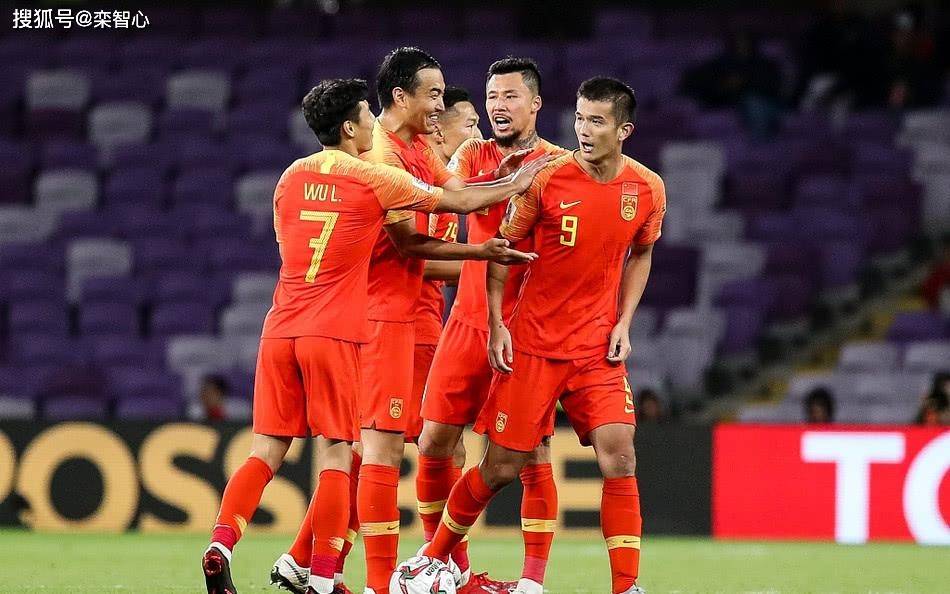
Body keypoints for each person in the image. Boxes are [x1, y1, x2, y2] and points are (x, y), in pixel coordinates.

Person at [201, 77, 549, 594]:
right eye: (367, 114)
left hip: (282, 324)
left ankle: (225, 544)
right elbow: (447, 207)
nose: (374, 123)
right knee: (348, 455)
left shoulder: (290, 176)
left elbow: (290, 243)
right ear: (352, 126)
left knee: (268, 451)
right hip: (347, 329)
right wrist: (515, 190)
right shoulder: (375, 175)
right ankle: (338, 577)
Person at [422, 77, 666, 594]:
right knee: (501, 466)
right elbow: (501, 252)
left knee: (620, 454)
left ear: (624, 130)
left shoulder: (647, 188)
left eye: (596, 121)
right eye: (579, 118)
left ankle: (626, 586)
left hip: (596, 349)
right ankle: (432, 559)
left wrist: (624, 321)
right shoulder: (548, 179)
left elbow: (641, 252)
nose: (584, 130)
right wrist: (498, 324)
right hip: (535, 344)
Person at [415, 57, 568, 593]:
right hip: (468, 320)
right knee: (434, 442)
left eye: (510, 96)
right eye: (492, 97)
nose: (498, 106)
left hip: (526, 331)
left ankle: (531, 582)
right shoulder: (471, 153)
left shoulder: (560, 164)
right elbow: (455, 193)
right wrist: (512, 183)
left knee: (533, 453)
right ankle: (444, 569)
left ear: (535, 103)